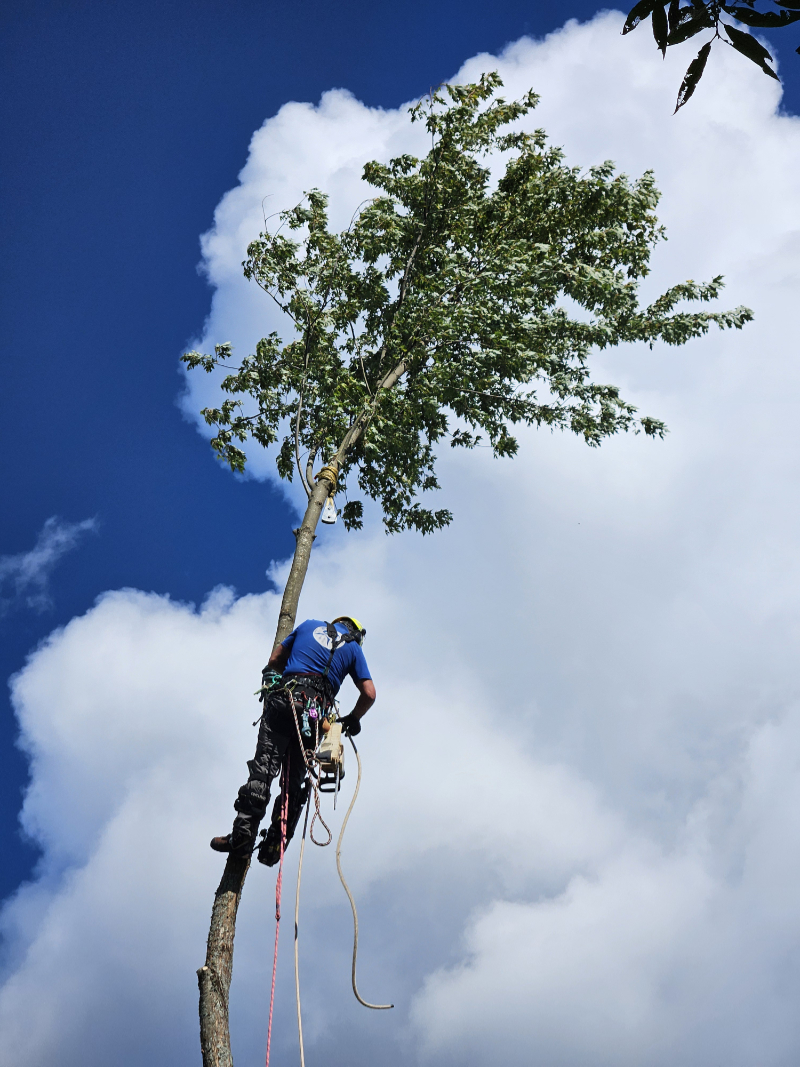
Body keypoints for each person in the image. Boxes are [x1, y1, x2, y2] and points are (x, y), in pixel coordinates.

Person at [210, 615, 375, 864]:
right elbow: (369, 694)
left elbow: (275, 661)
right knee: (293, 783)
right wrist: (353, 718)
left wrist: (278, 676)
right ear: (357, 633)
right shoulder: (353, 647)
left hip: (285, 701)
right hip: (314, 717)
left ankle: (243, 836)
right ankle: (275, 844)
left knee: (263, 770)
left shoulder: (308, 625)